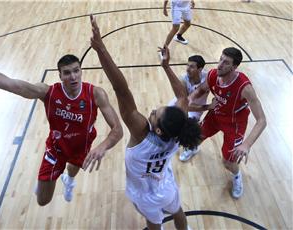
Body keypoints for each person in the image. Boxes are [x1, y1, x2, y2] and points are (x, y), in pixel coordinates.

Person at [0, 51, 123, 206]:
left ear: (81, 71)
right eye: (67, 73)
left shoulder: (96, 94)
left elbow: (117, 130)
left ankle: (69, 180)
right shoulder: (47, 92)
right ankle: (54, 177)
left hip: (81, 146)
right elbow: (10, 84)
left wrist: (102, 146)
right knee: (43, 201)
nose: (73, 77)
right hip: (56, 148)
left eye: (76, 71)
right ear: (59, 76)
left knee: (73, 169)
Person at [90, 15, 200, 230]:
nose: (151, 111)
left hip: (145, 195)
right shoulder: (178, 130)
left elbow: (121, 90)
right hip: (165, 186)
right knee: (178, 212)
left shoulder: (142, 134)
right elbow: (184, 98)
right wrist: (166, 67)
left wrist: (101, 49)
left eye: (153, 115)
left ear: (156, 129)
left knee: (154, 223)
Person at [187, 47, 267, 199]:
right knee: (196, 138)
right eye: (220, 59)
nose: (220, 64)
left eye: (226, 62)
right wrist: (190, 98)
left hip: (234, 125)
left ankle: (237, 176)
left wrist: (246, 145)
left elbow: (262, 121)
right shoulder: (212, 75)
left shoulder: (245, 88)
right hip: (216, 115)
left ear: (234, 67)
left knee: (228, 162)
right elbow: (202, 90)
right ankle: (194, 149)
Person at [168, 55, 210, 161]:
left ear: (200, 69)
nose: (187, 68)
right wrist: (207, 107)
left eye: (191, 66)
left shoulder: (208, 78)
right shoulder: (183, 79)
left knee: (188, 128)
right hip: (191, 104)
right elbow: (185, 104)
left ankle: (193, 148)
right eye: (187, 65)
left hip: (196, 110)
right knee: (166, 116)